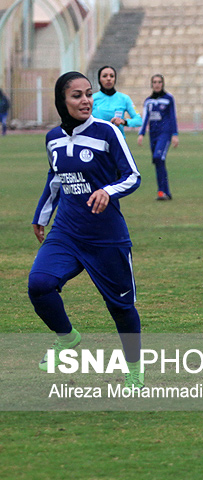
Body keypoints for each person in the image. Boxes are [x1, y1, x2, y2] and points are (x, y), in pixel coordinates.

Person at [29, 71, 144, 388]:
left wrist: (108, 191)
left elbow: (132, 176)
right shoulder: (53, 138)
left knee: (120, 307)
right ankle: (67, 338)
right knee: (39, 284)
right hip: (66, 232)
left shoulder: (107, 132)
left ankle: (134, 370)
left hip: (106, 236)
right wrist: (41, 216)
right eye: (77, 95)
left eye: (88, 94)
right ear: (61, 101)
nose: (86, 101)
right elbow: (55, 179)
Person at [138, 74, 179, 201]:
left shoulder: (168, 98)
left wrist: (175, 134)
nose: (157, 84)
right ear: (152, 84)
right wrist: (141, 133)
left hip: (165, 134)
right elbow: (145, 118)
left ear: (163, 84)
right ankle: (164, 192)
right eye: (155, 82)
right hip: (153, 134)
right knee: (158, 162)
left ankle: (163, 191)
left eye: (159, 82)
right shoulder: (148, 101)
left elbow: (172, 116)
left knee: (158, 157)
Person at [92, 66, 142, 133]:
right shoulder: (92, 98)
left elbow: (139, 121)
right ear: (99, 79)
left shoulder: (124, 99)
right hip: (97, 138)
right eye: (105, 76)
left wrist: (124, 122)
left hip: (117, 138)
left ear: (115, 79)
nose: (109, 79)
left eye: (112, 76)